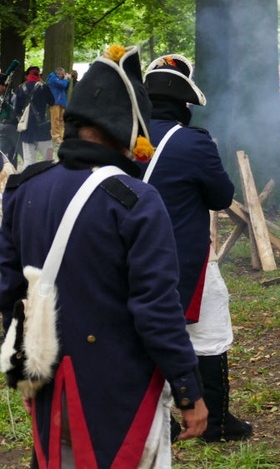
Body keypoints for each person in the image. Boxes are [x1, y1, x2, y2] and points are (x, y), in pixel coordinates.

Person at [0, 45, 208, 467]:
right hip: (119, 385)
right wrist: (189, 391)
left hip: (48, 377)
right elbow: (156, 309)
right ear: (126, 128)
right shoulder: (136, 199)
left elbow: (8, 291)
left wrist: (28, 373)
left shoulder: (25, 188)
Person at [141, 54, 253, 442]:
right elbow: (221, 195)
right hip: (180, 256)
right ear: (185, 104)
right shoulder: (194, 142)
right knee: (209, 328)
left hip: (122, 255)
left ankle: (157, 418)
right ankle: (216, 421)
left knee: (137, 332)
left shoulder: (120, 138)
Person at [14, 66, 54, 165]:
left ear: (27, 75)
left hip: (27, 128)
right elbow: (52, 102)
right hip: (42, 127)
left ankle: (29, 180)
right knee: (49, 159)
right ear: (38, 74)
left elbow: (17, 110)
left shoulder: (21, 88)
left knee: (28, 160)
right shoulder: (44, 87)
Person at [46, 67, 71, 144]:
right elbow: (62, 85)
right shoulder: (53, 79)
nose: (64, 75)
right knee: (55, 119)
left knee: (61, 119)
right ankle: (55, 136)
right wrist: (66, 79)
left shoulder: (61, 80)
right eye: (63, 73)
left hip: (62, 101)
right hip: (55, 102)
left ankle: (61, 135)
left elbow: (66, 87)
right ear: (59, 73)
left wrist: (67, 80)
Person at [0, 74, 19, 166]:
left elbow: (16, 113)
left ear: (4, 86)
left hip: (12, 129)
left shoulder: (13, 97)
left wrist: (7, 106)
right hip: (2, 130)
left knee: (16, 153)